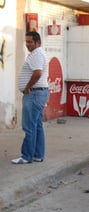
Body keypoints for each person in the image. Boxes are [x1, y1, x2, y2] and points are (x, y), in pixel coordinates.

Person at [11, 31, 50, 164]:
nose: (27, 44)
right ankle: (38, 155)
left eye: (30, 42)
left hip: (34, 94)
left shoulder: (37, 54)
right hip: (38, 93)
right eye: (26, 42)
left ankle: (26, 156)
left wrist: (27, 87)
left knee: (29, 126)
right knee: (37, 125)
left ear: (37, 42)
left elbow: (38, 73)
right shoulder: (37, 53)